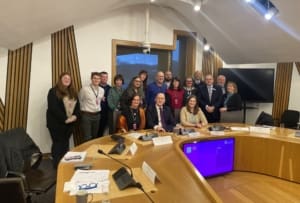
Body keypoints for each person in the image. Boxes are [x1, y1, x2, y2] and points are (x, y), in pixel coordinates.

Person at [46, 72, 80, 168]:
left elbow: (78, 106)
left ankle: (64, 165)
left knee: (65, 144)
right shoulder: (53, 91)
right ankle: (57, 166)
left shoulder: (73, 92)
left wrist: (75, 116)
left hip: (69, 124)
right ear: (60, 79)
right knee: (58, 145)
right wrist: (65, 119)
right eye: (65, 78)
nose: (67, 80)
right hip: (56, 124)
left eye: (69, 79)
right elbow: (53, 108)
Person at [79, 72, 104, 141]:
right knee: (87, 137)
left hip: (97, 115)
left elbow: (99, 100)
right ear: (91, 79)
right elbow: (80, 100)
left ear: (100, 80)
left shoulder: (102, 90)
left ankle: (92, 151)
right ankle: (86, 151)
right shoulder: (84, 89)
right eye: (94, 78)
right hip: (87, 116)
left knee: (94, 136)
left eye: (98, 78)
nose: (96, 80)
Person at [98, 71, 111, 136]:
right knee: (97, 132)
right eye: (103, 77)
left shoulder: (110, 88)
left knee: (104, 132)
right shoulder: (96, 87)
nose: (104, 78)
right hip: (98, 113)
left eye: (106, 77)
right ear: (100, 78)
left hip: (107, 113)